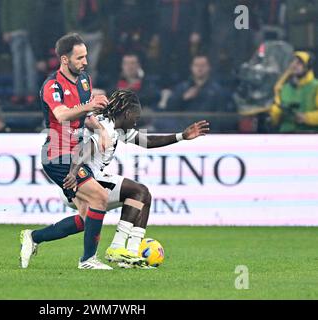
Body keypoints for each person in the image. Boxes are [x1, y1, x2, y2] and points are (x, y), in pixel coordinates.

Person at [23, 89, 210, 269]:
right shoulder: (106, 127)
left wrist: (182, 136)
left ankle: (35, 236)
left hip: (87, 180)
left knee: (91, 218)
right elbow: (86, 148)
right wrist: (73, 173)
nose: (136, 123)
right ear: (127, 113)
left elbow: (148, 142)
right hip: (82, 179)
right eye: (136, 118)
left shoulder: (118, 128)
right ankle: (117, 248)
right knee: (139, 191)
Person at [20, 33, 113, 270]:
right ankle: (88, 260)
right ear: (64, 59)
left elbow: (86, 115)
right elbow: (61, 114)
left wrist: (101, 129)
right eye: (80, 57)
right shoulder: (52, 85)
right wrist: (89, 106)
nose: (85, 62)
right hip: (57, 154)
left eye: (86, 56)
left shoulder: (84, 81)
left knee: (85, 217)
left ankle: (34, 237)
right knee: (100, 197)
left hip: (74, 155)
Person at [269, 51, 318, 132]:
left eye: (299, 63)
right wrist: (273, 114)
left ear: (308, 66)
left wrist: (305, 118)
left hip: (310, 137)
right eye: (292, 62)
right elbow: (275, 118)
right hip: (285, 136)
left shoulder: (315, 86)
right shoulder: (283, 88)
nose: (294, 65)